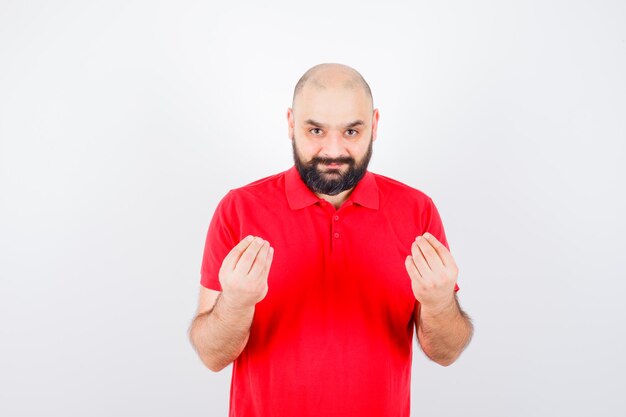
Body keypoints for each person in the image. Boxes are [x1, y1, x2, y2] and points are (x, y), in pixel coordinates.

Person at [188, 62, 474, 417]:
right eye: (316, 130)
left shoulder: (417, 210)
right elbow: (211, 355)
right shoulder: (239, 209)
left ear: (375, 125)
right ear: (291, 123)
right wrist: (236, 303)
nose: (334, 150)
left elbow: (446, 352)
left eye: (352, 131)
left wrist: (439, 301)